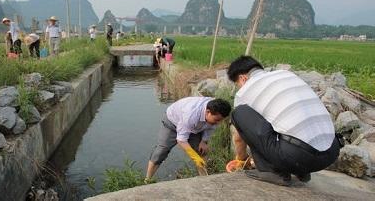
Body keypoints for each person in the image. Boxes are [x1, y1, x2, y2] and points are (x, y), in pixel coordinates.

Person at [227, 56, 341, 186]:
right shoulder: (286, 75)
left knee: (239, 113)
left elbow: (239, 138)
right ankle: (301, 172)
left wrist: (241, 160)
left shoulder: (244, 93)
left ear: (243, 78)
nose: (239, 88)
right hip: (331, 152)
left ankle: (273, 172)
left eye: (237, 84)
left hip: (298, 157)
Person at [145, 97, 231, 182]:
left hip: (195, 127)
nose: (218, 123)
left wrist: (203, 141)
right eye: (217, 120)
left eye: (220, 120)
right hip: (172, 123)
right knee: (161, 151)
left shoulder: (216, 110)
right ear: (208, 112)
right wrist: (194, 157)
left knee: (201, 151)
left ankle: (204, 179)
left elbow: (211, 127)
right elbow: (181, 140)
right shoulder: (191, 115)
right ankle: (147, 180)